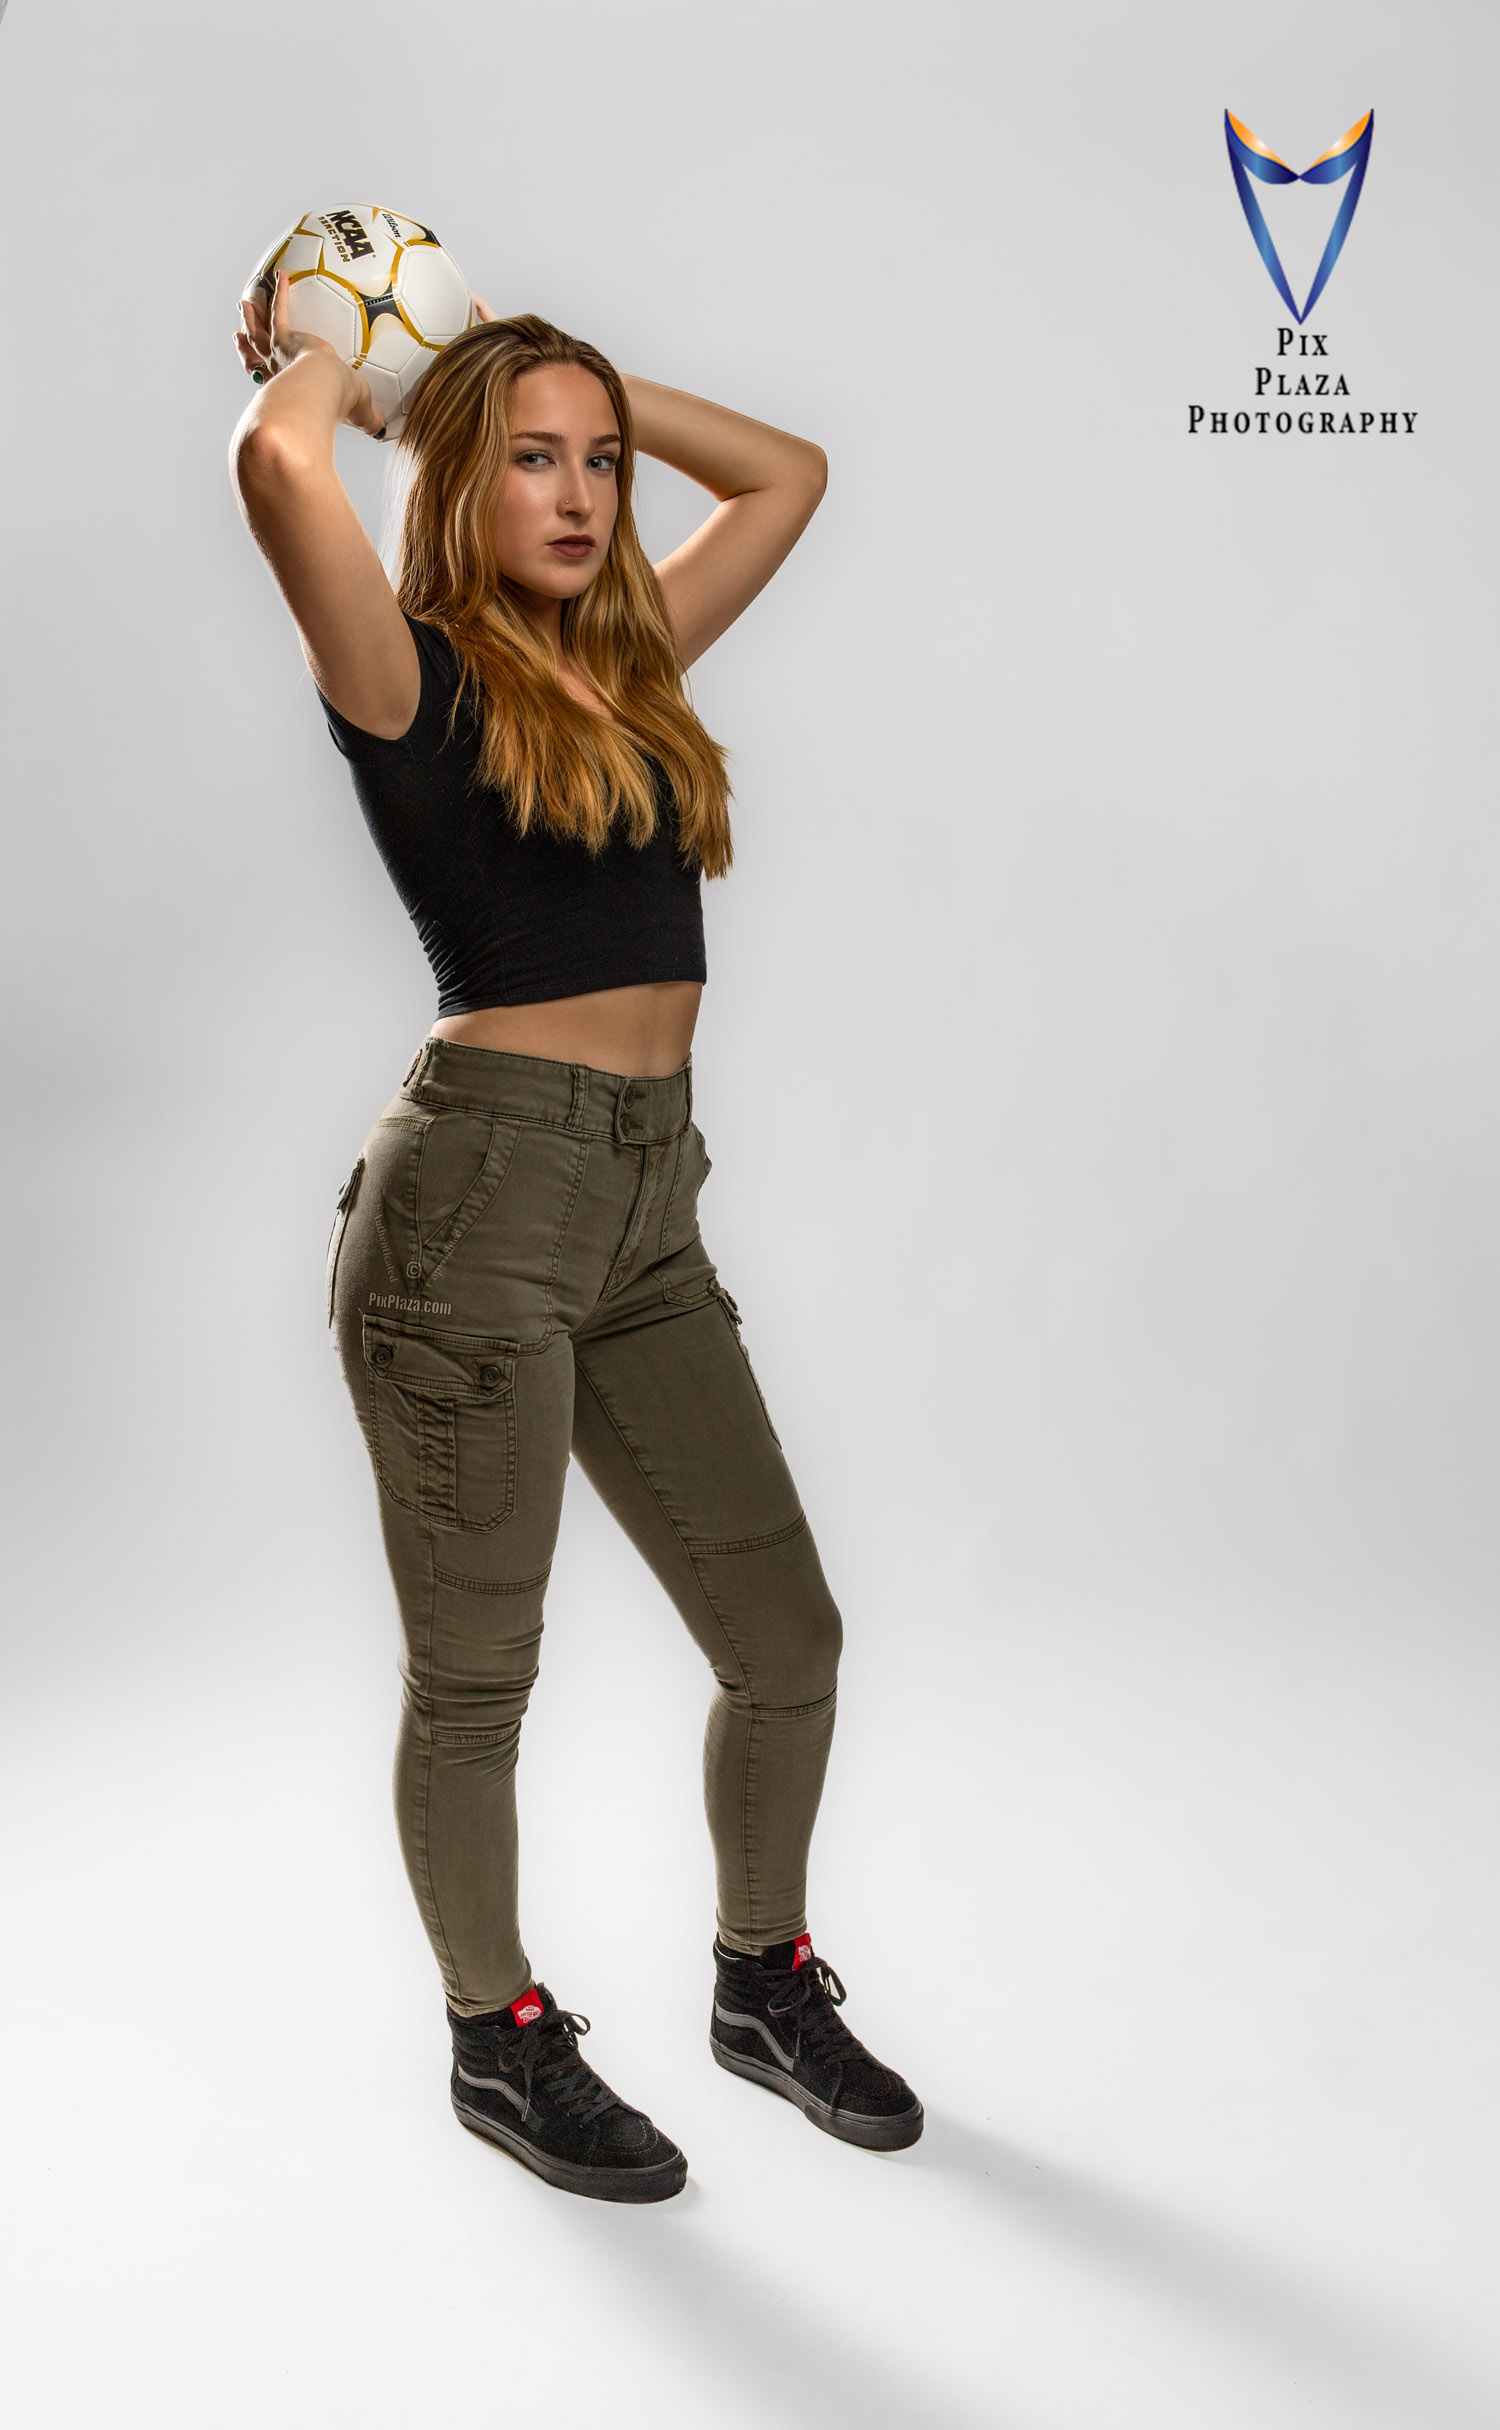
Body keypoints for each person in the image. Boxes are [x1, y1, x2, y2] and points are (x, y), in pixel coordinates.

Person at [230, 272, 921, 2203]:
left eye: (599, 460)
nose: (583, 490)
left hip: (643, 1208)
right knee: (479, 1679)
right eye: (531, 459)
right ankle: (497, 2038)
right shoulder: (408, 673)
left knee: (788, 1640)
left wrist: (546, 376)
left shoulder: (629, 663)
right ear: (459, 479)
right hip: (472, 1216)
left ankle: (759, 1980)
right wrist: (354, 363)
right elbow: (275, 458)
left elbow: (785, 477)